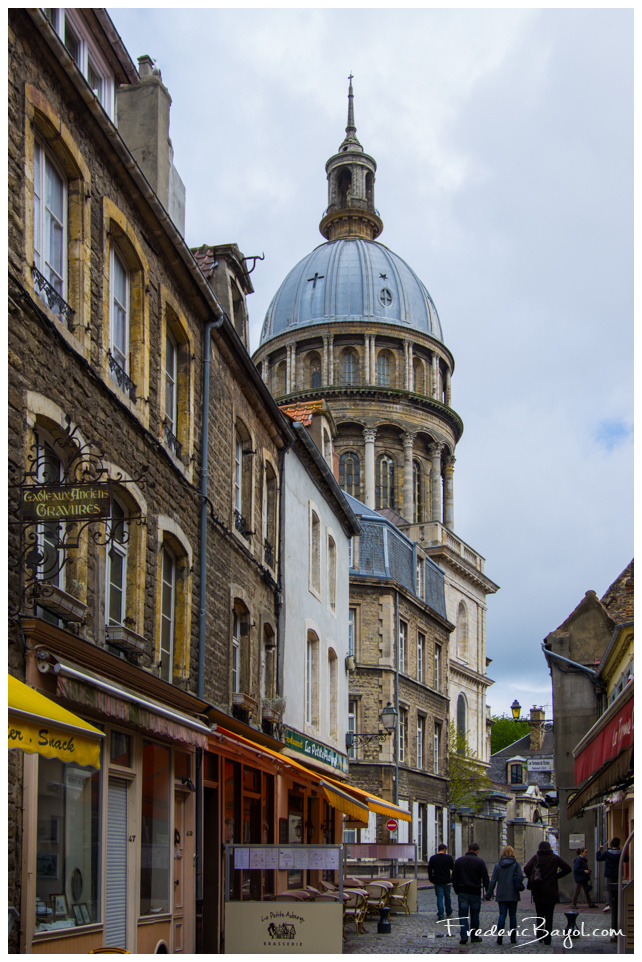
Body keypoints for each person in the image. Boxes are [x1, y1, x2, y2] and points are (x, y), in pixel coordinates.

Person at [523, 840, 571, 946]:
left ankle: (539, 935)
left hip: (538, 890)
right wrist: (556, 876)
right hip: (551, 891)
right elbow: (567, 869)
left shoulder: (536, 858)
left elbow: (526, 868)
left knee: (540, 914)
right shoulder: (554, 858)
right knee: (549, 916)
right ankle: (547, 939)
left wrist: (532, 877)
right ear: (549, 848)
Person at [485, 845, 525, 945]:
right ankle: (513, 938)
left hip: (501, 893)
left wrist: (488, 894)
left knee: (502, 915)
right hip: (513, 893)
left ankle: (500, 937)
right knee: (513, 915)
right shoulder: (516, 865)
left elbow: (493, 880)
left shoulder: (498, 865)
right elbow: (520, 878)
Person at [451, 841, 489, 945]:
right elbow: (485, 878)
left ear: (467, 850)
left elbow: (454, 877)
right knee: (475, 915)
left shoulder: (459, 861)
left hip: (463, 892)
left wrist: (456, 889)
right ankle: (474, 936)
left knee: (463, 915)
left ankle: (464, 936)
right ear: (477, 851)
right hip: (475, 892)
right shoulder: (480, 862)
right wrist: (487, 892)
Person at [597, 837, 629, 941]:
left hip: (609, 874)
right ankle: (617, 901)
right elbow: (627, 859)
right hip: (618, 873)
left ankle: (609, 904)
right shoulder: (621, 852)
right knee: (618, 888)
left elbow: (599, 858)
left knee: (609, 888)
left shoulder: (607, 853)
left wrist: (599, 851)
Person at [428, 843, 454, 921]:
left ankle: (441, 913)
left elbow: (430, 870)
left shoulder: (433, 858)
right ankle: (448, 911)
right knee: (447, 897)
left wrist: (431, 879)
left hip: (438, 881)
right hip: (447, 881)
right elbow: (453, 869)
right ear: (444, 849)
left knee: (439, 897)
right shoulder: (449, 858)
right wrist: (452, 878)